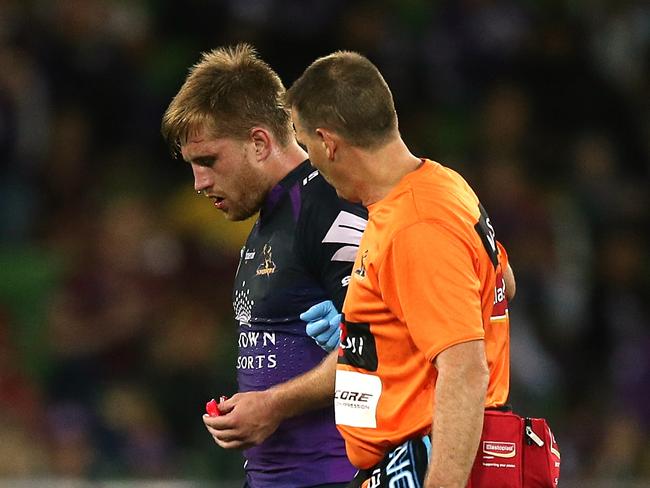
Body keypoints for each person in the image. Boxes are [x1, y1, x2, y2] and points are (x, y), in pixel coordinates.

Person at [285, 51, 515, 488]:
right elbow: (502, 283)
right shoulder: (440, 184)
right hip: (403, 463)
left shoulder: (416, 224)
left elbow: (465, 370)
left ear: (328, 142)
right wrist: (374, 335)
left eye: (305, 143)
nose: (308, 159)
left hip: (430, 464)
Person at [161, 44, 367, 488]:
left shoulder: (327, 205)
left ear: (259, 142)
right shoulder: (267, 223)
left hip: (336, 476)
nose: (199, 183)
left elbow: (380, 345)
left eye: (208, 161)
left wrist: (272, 404)